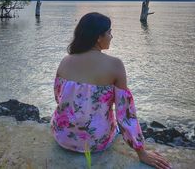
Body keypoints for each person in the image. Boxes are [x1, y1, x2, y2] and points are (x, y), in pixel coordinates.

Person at [51, 12, 171, 168]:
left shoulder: (66, 61)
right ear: (98, 37)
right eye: (109, 32)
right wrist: (142, 152)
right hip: (95, 142)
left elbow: (59, 98)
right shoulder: (115, 65)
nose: (111, 36)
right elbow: (125, 114)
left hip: (62, 136)